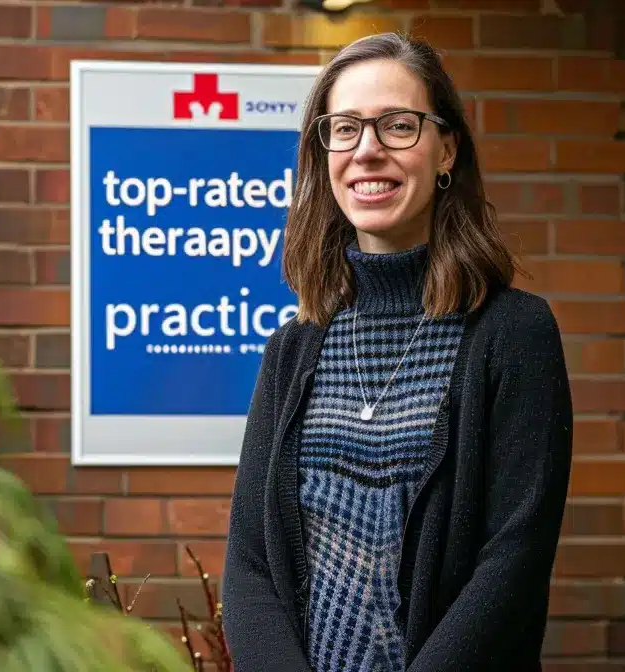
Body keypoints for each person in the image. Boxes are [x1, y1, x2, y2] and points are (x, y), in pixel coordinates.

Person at [221, 32, 573, 672]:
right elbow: (249, 562)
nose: (367, 151)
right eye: (345, 128)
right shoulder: (292, 349)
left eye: (398, 126)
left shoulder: (513, 333)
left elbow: (513, 560)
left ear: (447, 150)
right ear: (322, 154)